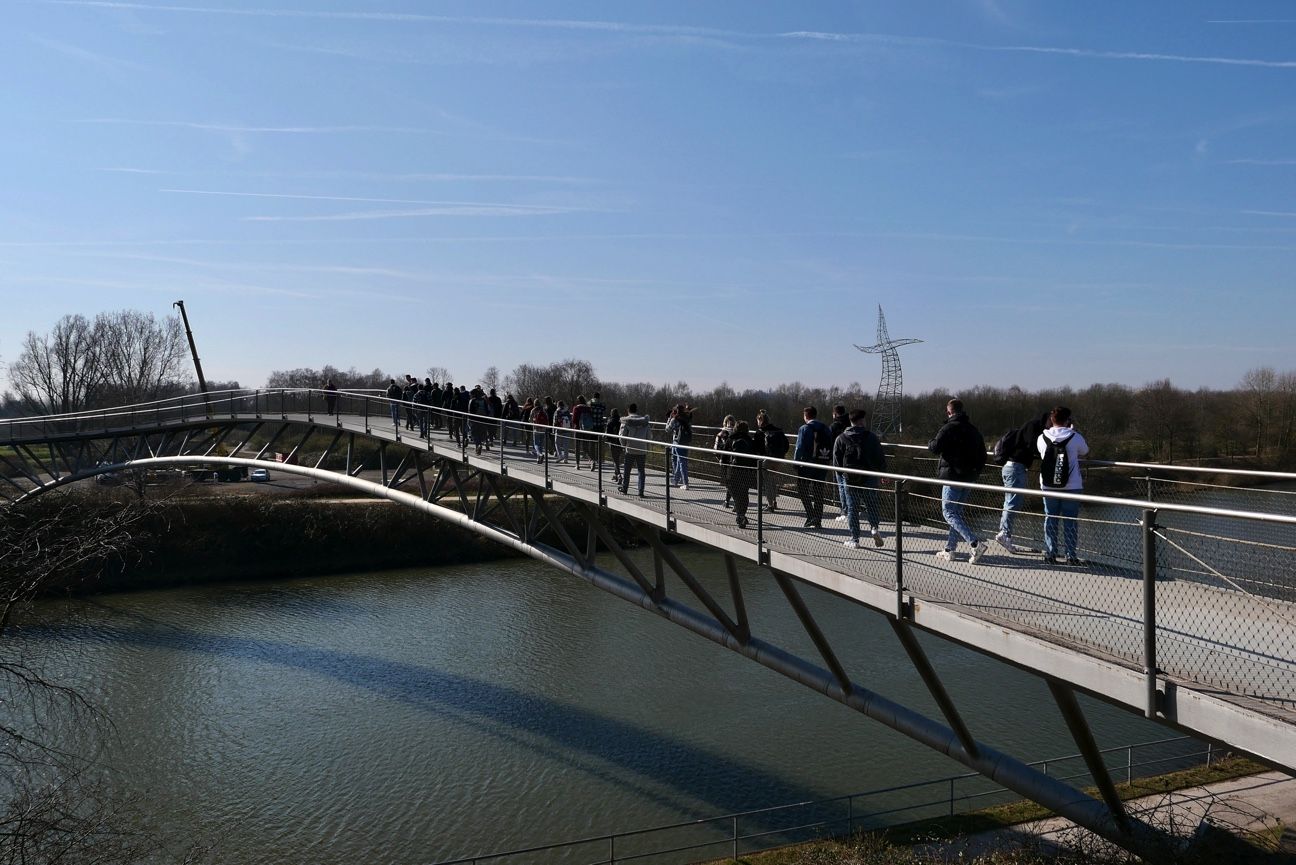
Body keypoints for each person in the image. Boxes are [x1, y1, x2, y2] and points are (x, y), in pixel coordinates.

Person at [928, 398, 988, 564]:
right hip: (968, 478)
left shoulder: (948, 428)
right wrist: (974, 472)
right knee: (957, 514)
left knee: (948, 512)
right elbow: (983, 455)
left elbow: (935, 447)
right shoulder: (973, 430)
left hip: (952, 476)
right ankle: (950, 549)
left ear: (949, 412)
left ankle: (974, 543)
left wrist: (930, 442)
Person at [1037, 406, 1090, 565]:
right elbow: (1085, 451)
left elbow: (1041, 452)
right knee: (1070, 521)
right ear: (1068, 420)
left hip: (1048, 486)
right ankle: (1070, 556)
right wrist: (1073, 430)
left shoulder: (1042, 437)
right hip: (1072, 486)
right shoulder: (1075, 436)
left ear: (1051, 420)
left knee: (1050, 519)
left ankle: (1050, 553)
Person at [995, 410, 1051, 553]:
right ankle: (1004, 534)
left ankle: (1004, 534)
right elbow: (1032, 446)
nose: (1052, 425)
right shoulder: (1033, 428)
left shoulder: (1030, 428)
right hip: (1015, 468)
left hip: (1012, 467)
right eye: (1051, 421)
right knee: (1014, 502)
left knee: (1010, 501)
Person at [833, 409, 886, 548]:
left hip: (850, 479)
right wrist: (883, 473)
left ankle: (855, 539)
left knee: (852, 509)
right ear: (862, 421)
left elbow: (837, 463)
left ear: (851, 421)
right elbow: (880, 457)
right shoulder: (871, 437)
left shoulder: (841, 438)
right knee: (871, 504)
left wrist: (843, 475)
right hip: (870, 476)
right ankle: (874, 528)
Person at [793, 406, 833, 528]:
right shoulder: (825, 428)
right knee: (818, 491)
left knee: (802, 489)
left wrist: (796, 462)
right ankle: (818, 519)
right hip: (823, 463)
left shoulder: (804, 428)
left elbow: (799, 447)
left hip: (807, 464)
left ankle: (811, 515)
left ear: (806, 416)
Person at [755, 410, 789, 511]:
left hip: (767, 460)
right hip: (779, 459)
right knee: (773, 481)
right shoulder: (779, 431)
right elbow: (786, 445)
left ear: (760, 420)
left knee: (767, 482)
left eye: (757, 421)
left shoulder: (760, 432)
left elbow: (758, 448)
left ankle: (770, 505)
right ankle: (774, 501)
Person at [727, 420, 757, 528]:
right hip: (746, 471)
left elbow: (724, 454)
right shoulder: (749, 440)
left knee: (735, 493)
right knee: (744, 494)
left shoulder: (731, 439)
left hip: (733, 470)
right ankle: (742, 515)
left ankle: (740, 515)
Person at [618, 403, 651, 496]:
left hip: (630, 448)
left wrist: (624, 446)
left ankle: (625, 488)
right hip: (642, 449)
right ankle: (641, 491)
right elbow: (649, 436)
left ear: (628, 410)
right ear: (637, 410)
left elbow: (622, 436)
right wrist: (647, 447)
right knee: (641, 471)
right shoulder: (645, 422)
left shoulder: (626, 421)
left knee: (627, 470)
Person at [664, 404, 695, 490]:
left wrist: (669, 418)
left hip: (678, 442)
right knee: (680, 461)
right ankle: (676, 480)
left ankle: (685, 483)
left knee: (681, 462)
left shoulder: (675, 419)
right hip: (686, 442)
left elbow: (667, 429)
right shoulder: (687, 418)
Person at [829, 404, 850, 521]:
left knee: (841, 486)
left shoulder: (834, 426)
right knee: (850, 485)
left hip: (838, 459)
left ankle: (844, 510)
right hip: (851, 459)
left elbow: (829, 442)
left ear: (835, 414)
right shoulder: (850, 423)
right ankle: (852, 508)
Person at [714, 415, 736, 508]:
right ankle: (730, 501)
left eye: (732, 424)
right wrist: (721, 459)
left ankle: (729, 501)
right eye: (729, 423)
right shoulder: (721, 434)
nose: (730, 425)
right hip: (727, 461)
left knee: (730, 482)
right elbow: (716, 449)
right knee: (729, 483)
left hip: (731, 461)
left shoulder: (735, 434)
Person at [529, 397, 550, 462]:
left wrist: (533, 423)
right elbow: (547, 419)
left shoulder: (533, 410)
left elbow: (530, 420)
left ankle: (540, 454)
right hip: (543, 429)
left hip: (536, 429)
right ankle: (538, 459)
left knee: (536, 444)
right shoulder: (543, 410)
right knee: (541, 444)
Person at [606, 408, 623, 484]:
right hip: (620, 443)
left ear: (611, 413)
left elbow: (608, 434)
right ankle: (615, 475)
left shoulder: (610, 422)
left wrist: (608, 440)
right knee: (617, 459)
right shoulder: (621, 421)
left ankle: (619, 475)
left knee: (615, 460)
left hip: (613, 443)